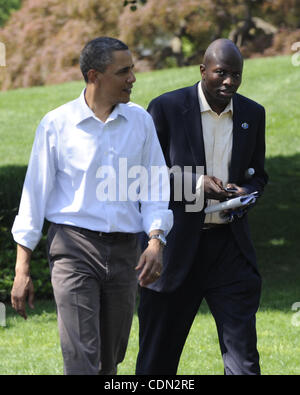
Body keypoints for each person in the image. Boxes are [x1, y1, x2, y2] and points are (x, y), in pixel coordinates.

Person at [10, 36, 173, 375]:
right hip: (73, 249)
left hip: (126, 252)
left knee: (110, 359)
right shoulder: (56, 125)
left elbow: (157, 186)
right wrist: (21, 269)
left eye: (132, 70)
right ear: (94, 76)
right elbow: (34, 196)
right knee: (81, 358)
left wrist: (156, 240)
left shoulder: (140, 121)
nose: (133, 78)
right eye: (123, 71)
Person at [136, 38, 268, 375]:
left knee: (243, 361)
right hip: (175, 247)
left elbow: (258, 173)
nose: (229, 82)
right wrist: (197, 186)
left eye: (236, 75)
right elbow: (144, 176)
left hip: (230, 250)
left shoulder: (252, 113)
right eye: (221, 73)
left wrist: (246, 190)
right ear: (202, 70)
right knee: (157, 360)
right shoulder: (165, 108)